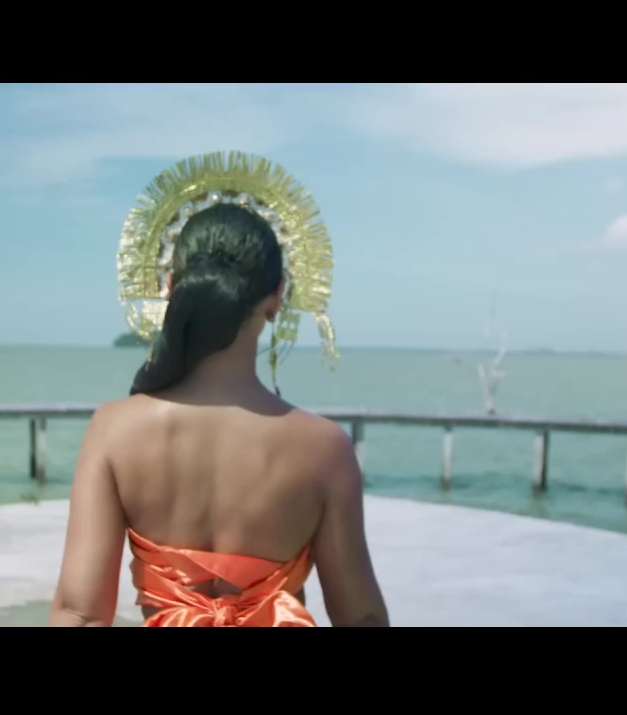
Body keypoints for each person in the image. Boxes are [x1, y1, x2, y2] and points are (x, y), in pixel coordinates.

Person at [49, 151, 388, 627]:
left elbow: (79, 612)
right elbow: (362, 617)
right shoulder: (325, 450)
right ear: (277, 297)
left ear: (171, 287)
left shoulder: (114, 430)